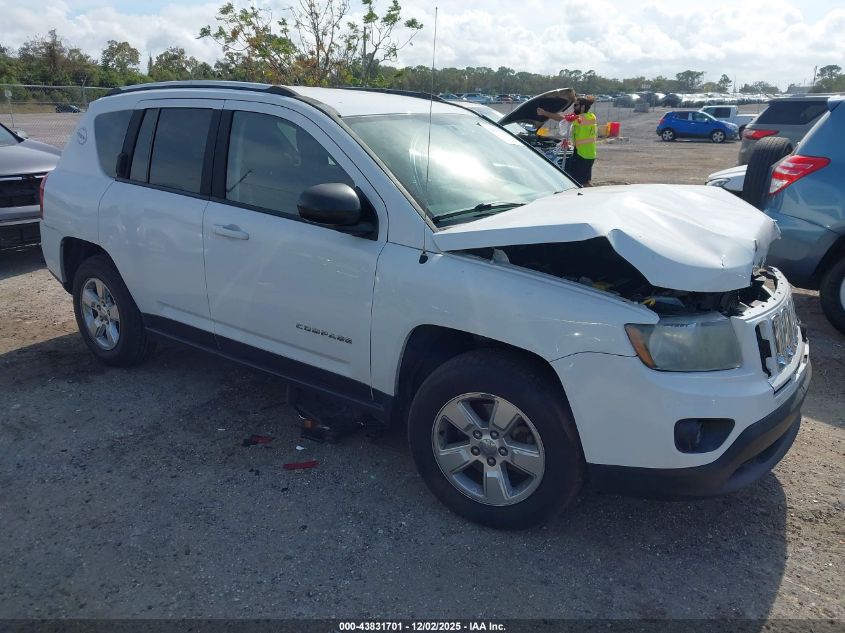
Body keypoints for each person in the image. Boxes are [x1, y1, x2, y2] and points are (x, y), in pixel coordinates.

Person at [537, 95, 598, 186]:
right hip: (587, 153)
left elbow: (562, 119)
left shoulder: (581, 118)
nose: (574, 107)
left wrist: (544, 113)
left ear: (583, 107)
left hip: (583, 155)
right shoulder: (591, 116)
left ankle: (593, 196)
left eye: (576, 105)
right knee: (580, 180)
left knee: (582, 183)